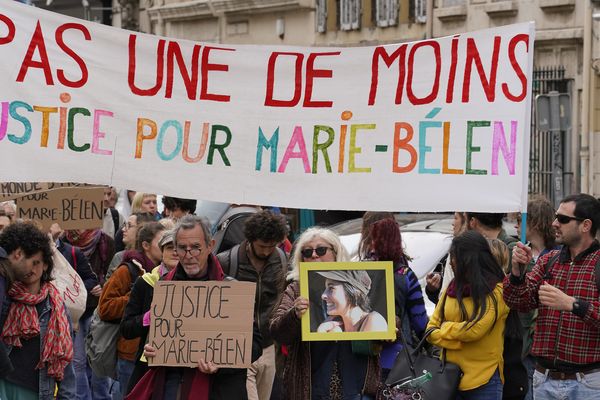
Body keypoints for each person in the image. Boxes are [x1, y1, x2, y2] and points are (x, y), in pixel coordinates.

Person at [134, 215, 262, 399]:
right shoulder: (165, 287)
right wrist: (151, 350)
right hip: (170, 388)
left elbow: (255, 346)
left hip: (217, 391)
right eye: (182, 248)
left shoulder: (231, 290)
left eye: (195, 248)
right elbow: (157, 337)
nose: (189, 256)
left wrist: (222, 363)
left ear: (210, 245)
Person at [505, 193, 600, 400]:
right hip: (544, 379)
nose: (555, 223)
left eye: (563, 219)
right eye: (556, 217)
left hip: (588, 382)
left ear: (585, 225)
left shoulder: (598, 263)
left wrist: (573, 304)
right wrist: (516, 273)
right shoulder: (549, 260)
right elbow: (518, 302)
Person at [270, 227, 380, 400]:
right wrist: (294, 315)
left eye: (321, 250)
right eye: (307, 252)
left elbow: (381, 328)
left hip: (356, 385)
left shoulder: (356, 283)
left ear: (336, 252)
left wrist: (388, 331)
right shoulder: (296, 289)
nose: (314, 255)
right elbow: (277, 331)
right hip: (313, 387)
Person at [427, 230, 509, 400]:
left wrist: (446, 328)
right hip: (448, 379)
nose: (451, 263)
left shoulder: (497, 291)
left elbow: (475, 330)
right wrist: (458, 340)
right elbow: (429, 331)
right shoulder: (451, 287)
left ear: (468, 259)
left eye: (454, 257)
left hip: (484, 381)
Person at [216, 210, 288, 400]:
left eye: (271, 246)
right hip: (239, 346)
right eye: (262, 246)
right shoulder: (226, 261)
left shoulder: (281, 260)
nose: (266, 251)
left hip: (269, 347)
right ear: (250, 239)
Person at [0, 222, 76, 399]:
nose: (31, 269)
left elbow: (65, 356)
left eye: (37, 263)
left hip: (36, 388)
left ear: (46, 266)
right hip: (4, 384)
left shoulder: (55, 305)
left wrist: (67, 396)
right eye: (29, 261)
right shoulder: (6, 295)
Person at [98, 222, 166, 400]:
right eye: (163, 242)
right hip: (131, 353)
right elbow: (105, 307)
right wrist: (136, 296)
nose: (170, 248)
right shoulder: (127, 270)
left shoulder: (166, 275)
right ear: (146, 245)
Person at [120, 230, 178, 394]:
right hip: (148, 364)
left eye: (178, 248)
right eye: (168, 247)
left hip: (181, 368)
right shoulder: (145, 283)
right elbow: (126, 328)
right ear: (162, 252)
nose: (174, 251)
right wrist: (149, 318)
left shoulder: (197, 285)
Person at [368, 218, 428, 379]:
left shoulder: (363, 272)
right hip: (398, 357)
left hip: (367, 359)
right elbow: (419, 320)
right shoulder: (406, 275)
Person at [513, 195, 559, 400]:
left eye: (520, 220)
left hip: (548, 340)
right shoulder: (517, 252)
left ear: (535, 222)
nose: (516, 226)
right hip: (521, 339)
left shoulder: (558, 254)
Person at [315, 269, 387, 333]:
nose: (323, 295)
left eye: (331, 288)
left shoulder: (374, 320)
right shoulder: (331, 325)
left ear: (355, 294)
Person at [426, 211, 468, 303]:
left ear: (466, 221)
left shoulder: (460, 251)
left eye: (456, 218)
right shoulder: (451, 251)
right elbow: (440, 295)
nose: (453, 223)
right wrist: (433, 288)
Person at [107, 212, 155, 279]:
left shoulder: (156, 257)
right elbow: (109, 287)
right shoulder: (120, 257)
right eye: (124, 225)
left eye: (129, 225)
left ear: (141, 229)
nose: (123, 229)